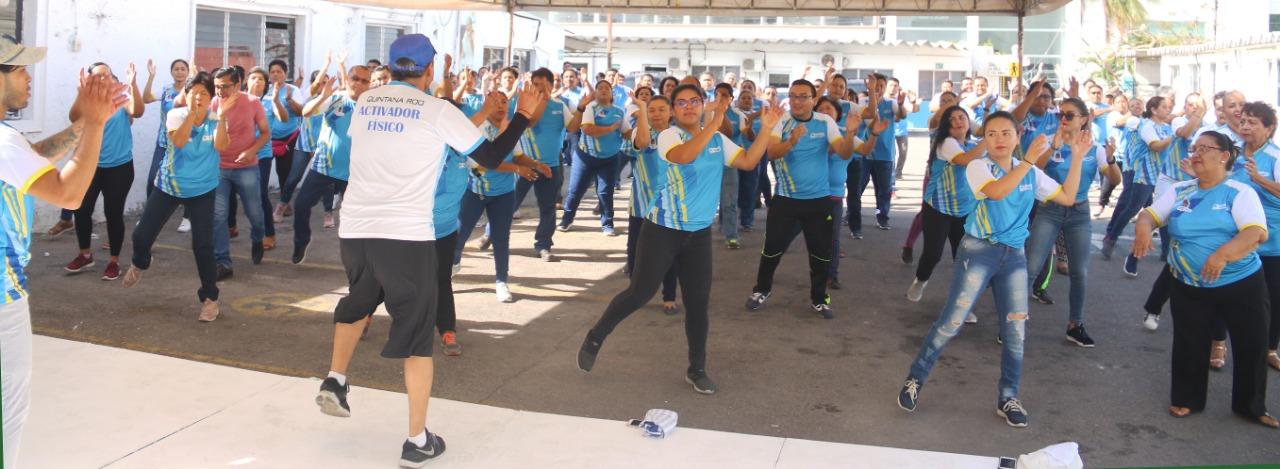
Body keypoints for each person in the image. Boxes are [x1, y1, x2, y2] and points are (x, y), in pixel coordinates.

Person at [312, 34, 544, 467]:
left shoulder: (367, 101)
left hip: (357, 228)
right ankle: (417, 440)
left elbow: (425, 135)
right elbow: (490, 156)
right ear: (430, 69)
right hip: (405, 236)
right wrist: (522, 118)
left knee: (360, 300)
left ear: (393, 66)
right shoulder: (437, 110)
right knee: (418, 338)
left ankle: (336, 378)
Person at [577, 84, 783, 394]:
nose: (688, 107)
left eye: (694, 102)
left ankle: (696, 369)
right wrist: (714, 122)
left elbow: (748, 162)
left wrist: (766, 130)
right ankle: (596, 335)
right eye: (682, 103)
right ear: (674, 110)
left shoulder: (718, 140)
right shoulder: (669, 136)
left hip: (698, 235)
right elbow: (685, 157)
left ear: (703, 105)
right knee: (639, 293)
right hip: (662, 229)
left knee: (698, 305)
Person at [897, 110, 1087, 429]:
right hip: (978, 252)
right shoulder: (977, 166)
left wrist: (1078, 157)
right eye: (991, 134)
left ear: (1017, 137)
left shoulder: (1030, 173)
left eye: (1005, 133)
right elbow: (996, 192)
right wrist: (1028, 162)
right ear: (984, 140)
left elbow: (1068, 197)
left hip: (1013, 257)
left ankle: (1008, 396)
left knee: (1015, 329)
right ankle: (915, 378)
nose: (999, 139)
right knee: (952, 321)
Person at [0, 38, 122, 468]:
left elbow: (32, 158)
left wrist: (85, 123)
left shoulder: (9, 145)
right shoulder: (2, 145)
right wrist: (96, 126)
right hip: (2, 302)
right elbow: (69, 194)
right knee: (6, 416)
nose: (28, 76)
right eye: (17, 69)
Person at [1131, 130, 1277, 429]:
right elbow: (1150, 215)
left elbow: (1255, 233)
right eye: (1194, 148)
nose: (1195, 154)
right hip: (1189, 283)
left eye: (1204, 148)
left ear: (1224, 156)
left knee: (1252, 343)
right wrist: (1144, 228)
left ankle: (1251, 407)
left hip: (1240, 283)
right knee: (1189, 342)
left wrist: (1222, 255)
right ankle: (1187, 399)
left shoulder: (1239, 191)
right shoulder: (1182, 189)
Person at [746, 79, 874, 319]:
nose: (797, 101)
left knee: (820, 254)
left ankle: (819, 299)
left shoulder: (825, 122)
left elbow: (845, 152)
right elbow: (771, 153)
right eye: (793, 96)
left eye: (803, 96)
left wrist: (851, 133)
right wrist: (792, 140)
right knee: (772, 249)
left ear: (813, 100)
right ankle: (761, 290)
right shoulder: (781, 121)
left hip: (819, 201)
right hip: (786, 200)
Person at [123, 71, 229, 323]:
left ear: (211, 97)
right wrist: (192, 114)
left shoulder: (216, 119)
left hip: (203, 189)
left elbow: (222, 147)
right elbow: (179, 141)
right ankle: (140, 263)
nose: (200, 97)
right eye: (195, 93)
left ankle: (210, 299)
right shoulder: (175, 114)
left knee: (203, 245)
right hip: (169, 186)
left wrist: (222, 119)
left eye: (204, 94)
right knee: (141, 235)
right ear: (187, 94)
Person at [1023, 97, 1108, 347]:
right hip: (1050, 209)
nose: (1063, 119)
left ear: (1084, 120)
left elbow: (1112, 176)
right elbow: (1032, 168)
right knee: (1031, 267)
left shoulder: (1096, 148)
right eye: (1061, 114)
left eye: (1069, 115)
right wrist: (1053, 147)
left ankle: (1075, 325)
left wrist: (1111, 161)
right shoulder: (1051, 141)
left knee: (1079, 272)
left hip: (1079, 213)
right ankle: (1013, 322)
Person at [453, 91, 551, 303]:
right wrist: (516, 169)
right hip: (475, 192)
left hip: (504, 195)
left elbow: (517, 155)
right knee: (459, 236)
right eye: (495, 101)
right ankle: (452, 267)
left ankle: (501, 281)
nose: (500, 105)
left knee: (501, 239)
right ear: (486, 103)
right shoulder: (477, 128)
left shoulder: (510, 128)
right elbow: (480, 165)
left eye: (504, 101)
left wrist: (534, 164)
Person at [63, 62, 144, 281]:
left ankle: (114, 261)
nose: (102, 80)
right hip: (90, 167)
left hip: (119, 168)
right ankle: (85, 254)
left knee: (113, 213)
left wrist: (133, 84)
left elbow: (137, 110)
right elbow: (74, 117)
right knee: (81, 210)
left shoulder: (121, 98)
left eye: (105, 75)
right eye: (96, 77)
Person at [905, 105, 985, 304]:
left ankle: (963, 303)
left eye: (961, 117)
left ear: (969, 121)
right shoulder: (946, 143)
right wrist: (989, 141)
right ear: (945, 127)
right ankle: (921, 280)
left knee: (964, 258)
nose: (957, 122)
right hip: (937, 208)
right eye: (952, 120)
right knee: (933, 254)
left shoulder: (973, 144)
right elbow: (965, 160)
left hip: (965, 209)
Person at [292, 63, 370, 264]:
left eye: (364, 80)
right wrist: (322, 96)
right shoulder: (335, 99)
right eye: (355, 78)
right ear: (348, 79)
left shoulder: (373, 107)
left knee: (355, 217)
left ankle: (357, 257)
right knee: (301, 205)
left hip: (354, 173)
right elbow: (306, 112)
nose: (359, 84)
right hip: (323, 167)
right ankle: (301, 241)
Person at [1231, 102, 1280, 371]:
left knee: (1273, 298)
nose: (1246, 126)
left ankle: (1270, 349)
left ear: (1269, 128)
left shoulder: (1275, 156)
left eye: (1253, 122)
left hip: (1273, 239)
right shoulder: (1234, 153)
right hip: (1238, 236)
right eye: (1244, 121)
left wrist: (1259, 179)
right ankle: (1219, 344)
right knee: (1230, 293)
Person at [209, 67, 271, 278]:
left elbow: (265, 133)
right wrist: (220, 115)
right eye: (216, 87)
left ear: (237, 85)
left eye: (224, 86)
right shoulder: (213, 104)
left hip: (247, 167)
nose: (219, 91)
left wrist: (251, 151)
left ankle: (257, 238)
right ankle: (222, 261)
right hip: (219, 168)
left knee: (254, 213)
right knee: (218, 216)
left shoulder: (253, 102)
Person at [622, 95, 681, 314]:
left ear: (671, 112)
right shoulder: (640, 131)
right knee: (635, 252)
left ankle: (669, 295)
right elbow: (644, 143)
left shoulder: (677, 135)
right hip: (640, 204)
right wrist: (642, 109)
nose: (656, 114)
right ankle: (634, 293)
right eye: (652, 110)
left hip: (668, 206)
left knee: (668, 254)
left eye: (661, 109)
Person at [1106, 96, 1174, 276]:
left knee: (1164, 213)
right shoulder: (1144, 125)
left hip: (1163, 177)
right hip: (1144, 175)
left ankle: (1166, 251)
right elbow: (1156, 146)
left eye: (1169, 107)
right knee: (1132, 209)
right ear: (1153, 109)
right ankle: (1111, 238)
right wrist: (1174, 136)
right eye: (1164, 107)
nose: (1168, 109)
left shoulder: (1167, 127)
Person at [817, 96, 880, 290]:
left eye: (830, 108)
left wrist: (874, 135)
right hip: (809, 194)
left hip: (834, 195)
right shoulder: (810, 133)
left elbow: (865, 149)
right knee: (804, 236)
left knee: (832, 237)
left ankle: (831, 275)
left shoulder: (846, 134)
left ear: (837, 114)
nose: (826, 111)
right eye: (822, 108)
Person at [512, 67, 571, 261]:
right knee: (509, 203)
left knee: (547, 207)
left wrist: (581, 109)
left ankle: (543, 245)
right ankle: (490, 233)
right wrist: (542, 99)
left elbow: (573, 126)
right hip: (525, 163)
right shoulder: (524, 104)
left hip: (550, 165)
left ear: (552, 85)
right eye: (535, 84)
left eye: (542, 85)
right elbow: (529, 122)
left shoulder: (559, 105)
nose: (537, 88)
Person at [559, 79, 627, 235]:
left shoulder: (620, 111)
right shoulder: (590, 107)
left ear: (612, 93)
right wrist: (611, 128)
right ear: (595, 93)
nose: (603, 90)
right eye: (600, 88)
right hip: (586, 157)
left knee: (605, 192)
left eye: (606, 88)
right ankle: (567, 219)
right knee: (575, 191)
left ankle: (607, 223)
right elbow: (588, 129)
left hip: (610, 158)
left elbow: (627, 132)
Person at [901, 91, 962, 264]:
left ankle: (960, 258)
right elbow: (937, 118)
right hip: (934, 176)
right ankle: (908, 245)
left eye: (950, 100)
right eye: (943, 101)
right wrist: (950, 106)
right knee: (925, 212)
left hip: (957, 178)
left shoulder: (963, 121)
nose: (946, 104)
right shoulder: (935, 121)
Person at [850, 74, 904, 234]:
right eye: (875, 85)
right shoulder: (863, 104)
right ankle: (852, 215)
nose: (878, 88)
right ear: (869, 86)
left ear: (885, 87)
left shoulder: (892, 104)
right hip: (864, 153)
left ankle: (882, 216)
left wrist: (901, 105)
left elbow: (901, 116)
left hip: (885, 155)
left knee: (884, 189)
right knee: (857, 187)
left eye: (881, 85)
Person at [143, 59, 192, 232]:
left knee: (186, 180)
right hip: (164, 143)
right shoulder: (166, 90)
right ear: (172, 72)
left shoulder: (192, 90)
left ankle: (187, 217)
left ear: (187, 72)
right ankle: (148, 217)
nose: (179, 72)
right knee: (152, 180)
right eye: (176, 69)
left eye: (183, 69)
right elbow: (146, 98)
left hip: (186, 143)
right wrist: (151, 76)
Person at [265, 59, 306, 223]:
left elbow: (300, 112)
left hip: (288, 138)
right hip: (268, 139)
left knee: (284, 172)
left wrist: (289, 100)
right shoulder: (266, 91)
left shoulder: (292, 89)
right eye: (272, 71)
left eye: (279, 71)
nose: (275, 74)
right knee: (264, 170)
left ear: (285, 73)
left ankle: (285, 202)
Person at [714, 83, 748, 248]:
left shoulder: (737, 115)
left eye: (724, 95)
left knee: (729, 201)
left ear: (731, 98)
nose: (720, 98)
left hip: (729, 164)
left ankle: (731, 236)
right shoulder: (705, 112)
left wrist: (721, 112)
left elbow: (727, 133)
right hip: (709, 163)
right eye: (717, 94)